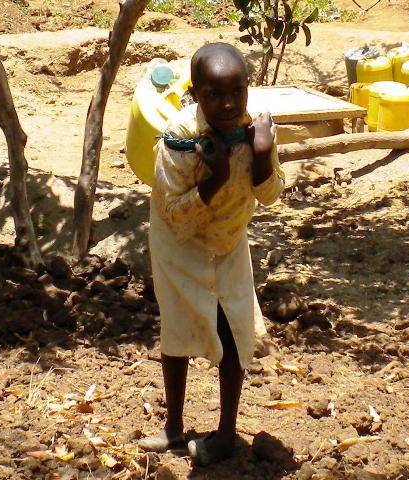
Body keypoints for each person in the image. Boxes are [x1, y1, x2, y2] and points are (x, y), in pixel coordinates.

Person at [139, 42, 285, 466]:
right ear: (196, 94)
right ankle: (173, 427)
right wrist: (216, 176)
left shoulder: (254, 130)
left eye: (237, 92)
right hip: (178, 246)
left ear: (247, 89)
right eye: (214, 94)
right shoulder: (181, 141)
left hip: (228, 242)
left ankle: (224, 435)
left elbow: (271, 193)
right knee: (177, 330)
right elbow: (175, 216)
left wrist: (260, 155)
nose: (227, 104)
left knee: (235, 332)